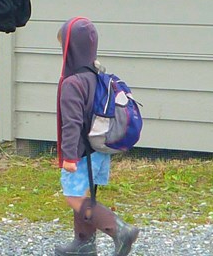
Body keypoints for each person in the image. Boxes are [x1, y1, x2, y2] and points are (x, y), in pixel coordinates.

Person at [55, 17, 139, 256]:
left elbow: (70, 124)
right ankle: (83, 242)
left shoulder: (72, 83)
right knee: (84, 194)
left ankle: (118, 230)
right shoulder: (97, 76)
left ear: (69, 48)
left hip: (79, 152)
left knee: (74, 197)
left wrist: (69, 156)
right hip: (98, 150)